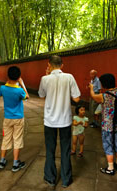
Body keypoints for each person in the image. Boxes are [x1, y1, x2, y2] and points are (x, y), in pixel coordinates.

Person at [38, 55, 81, 188]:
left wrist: (46, 76)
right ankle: (66, 179)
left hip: (50, 121)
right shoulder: (69, 77)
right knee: (66, 150)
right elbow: (77, 99)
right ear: (62, 65)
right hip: (65, 120)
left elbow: (41, 95)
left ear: (49, 64)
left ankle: (50, 178)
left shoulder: (44, 79)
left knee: (50, 150)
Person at [89, 73, 117, 175]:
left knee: (108, 145)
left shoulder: (104, 96)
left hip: (108, 125)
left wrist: (91, 88)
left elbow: (93, 96)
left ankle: (110, 168)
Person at [0, 66, 29, 172]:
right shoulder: (19, 90)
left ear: (8, 76)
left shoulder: (2, 88)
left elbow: (0, 93)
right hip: (18, 118)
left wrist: (9, 82)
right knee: (17, 139)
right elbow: (27, 96)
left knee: (6, 138)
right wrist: (22, 83)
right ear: (19, 77)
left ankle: (2, 161)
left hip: (7, 118)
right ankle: (15, 164)